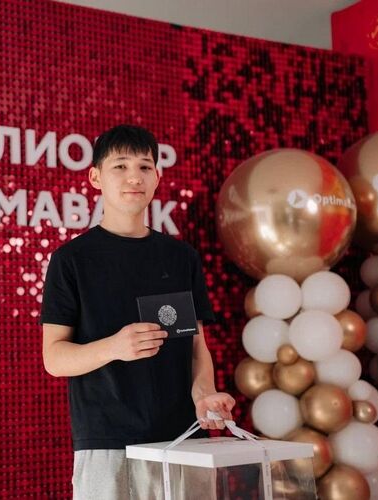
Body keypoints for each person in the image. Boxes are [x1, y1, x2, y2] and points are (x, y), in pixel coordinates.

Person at [40, 125, 236, 499]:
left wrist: (204, 395)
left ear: (157, 177)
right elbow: (54, 358)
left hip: (185, 441)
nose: (135, 177)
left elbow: (196, 348)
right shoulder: (71, 260)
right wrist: (114, 347)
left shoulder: (181, 258)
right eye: (120, 166)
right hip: (107, 445)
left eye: (145, 167)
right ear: (95, 177)